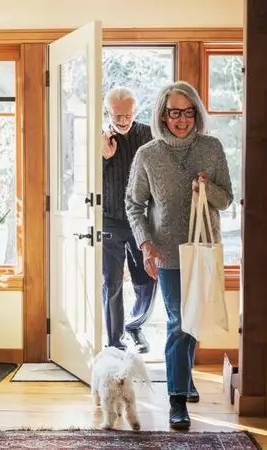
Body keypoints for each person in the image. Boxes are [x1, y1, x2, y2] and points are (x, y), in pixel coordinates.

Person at [125, 81, 233, 429]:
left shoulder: (212, 148)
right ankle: (177, 399)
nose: (182, 119)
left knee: (194, 320)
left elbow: (227, 199)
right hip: (167, 252)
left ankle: (184, 380)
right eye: (175, 112)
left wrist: (207, 187)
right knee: (177, 322)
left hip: (203, 248)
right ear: (163, 114)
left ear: (196, 114)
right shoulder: (148, 155)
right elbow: (134, 204)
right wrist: (145, 244)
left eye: (189, 112)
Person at [100, 87, 157, 354]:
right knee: (111, 282)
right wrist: (103, 157)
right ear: (107, 111)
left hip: (142, 220)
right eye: (117, 115)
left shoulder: (148, 135)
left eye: (128, 115)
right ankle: (114, 342)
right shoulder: (99, 138)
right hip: (109, 219)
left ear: (135, 111)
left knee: (147, 279)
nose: (122, 121)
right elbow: (85, 181)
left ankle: (134, 325)